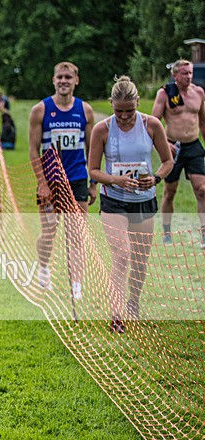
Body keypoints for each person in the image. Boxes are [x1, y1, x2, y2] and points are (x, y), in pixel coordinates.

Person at [88, 76, 173, 333]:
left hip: (144, 202)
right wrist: (116, 179)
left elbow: (168, 162)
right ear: (111, 105)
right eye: (118, 111)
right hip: (113, 201)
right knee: (121, 256)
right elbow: (93, 170)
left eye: (129, 111)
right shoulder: (102, 130)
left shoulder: (152, 125)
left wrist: (155, 178)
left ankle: (133, 302)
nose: (124, 117)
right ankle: (116, 316)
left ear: (137, 102)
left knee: (139, 260)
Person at [28, 61, 96, 299]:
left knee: (77, 234)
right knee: (49, 232)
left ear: (76, 80)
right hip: (51, 181)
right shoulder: (41, 110)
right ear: (53, 80)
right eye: (60, 77)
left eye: (68, 77)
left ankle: (76, 286)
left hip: (77, 180)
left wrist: (93, 183)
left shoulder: (85, 111)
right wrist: (42, 182)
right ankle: (44, 269)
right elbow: (32, 150)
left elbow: (92, 150)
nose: (63, 81)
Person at [151, 59, 205, 246]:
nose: (188, 76)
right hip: (173, 147)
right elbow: (154, 123)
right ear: (175, 75)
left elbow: (203, 121)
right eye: (184, 73)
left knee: (202, 190)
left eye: (190, 73)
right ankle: (167, 233)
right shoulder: (165, 94)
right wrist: (165, 143)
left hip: (193, 146)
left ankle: (204, 234)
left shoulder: (199, 92)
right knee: (170, 192)